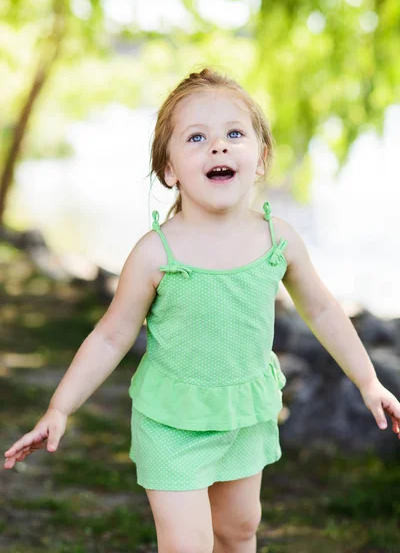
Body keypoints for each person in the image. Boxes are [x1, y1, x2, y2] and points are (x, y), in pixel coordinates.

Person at [4, 66, 400, 553]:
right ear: (170, 170)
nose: (219, 146)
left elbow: (321, 310)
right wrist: (59, 407)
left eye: (235, 133)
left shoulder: (278, 240)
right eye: (197, 137)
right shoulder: (156, 254)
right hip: (171, 420)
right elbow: (110, 335)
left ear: (260, 158)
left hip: (243, 413)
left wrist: (368, 380)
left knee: (238, 533)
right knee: (187, 545)